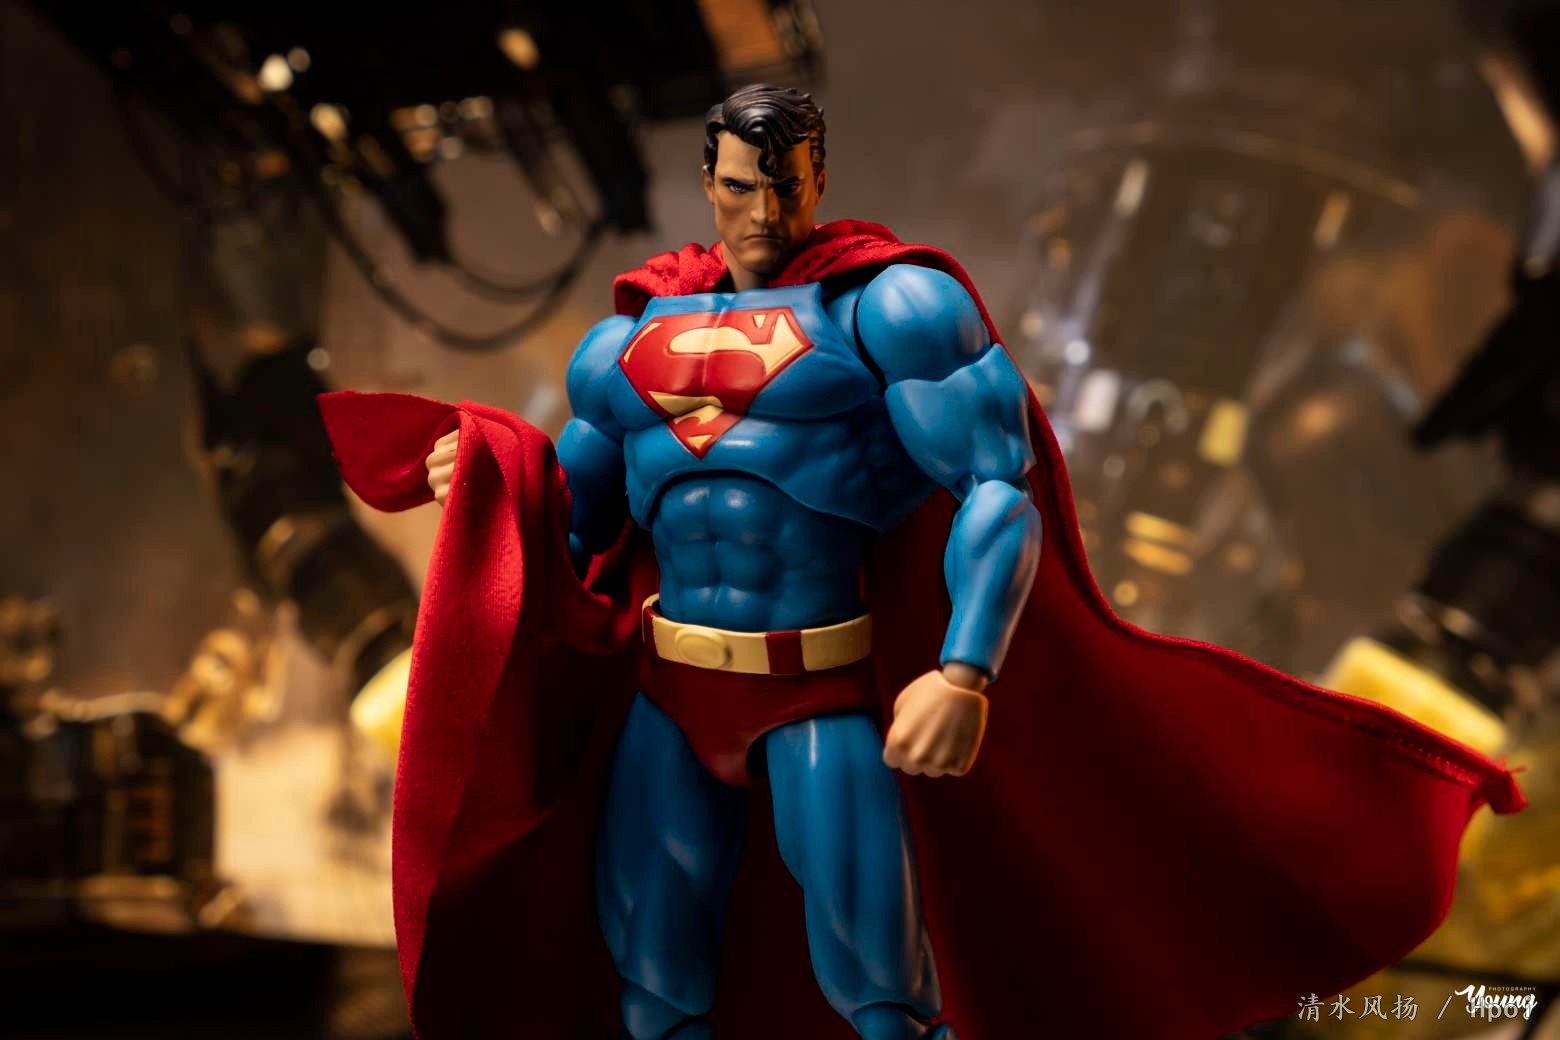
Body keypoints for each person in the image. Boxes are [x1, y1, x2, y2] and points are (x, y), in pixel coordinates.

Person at [322, 84, 1523, 1040]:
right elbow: (579, 524)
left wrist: (965, 671)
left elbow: (995, 487)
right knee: (653, 984)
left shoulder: (887, 311)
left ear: (815, 177)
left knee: (880, 991)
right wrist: (489, 473)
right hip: (669, 695)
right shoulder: (625, 340)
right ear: (708, 183)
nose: (759, 210)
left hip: (817, 689)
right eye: (738, 186)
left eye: (782, 184)